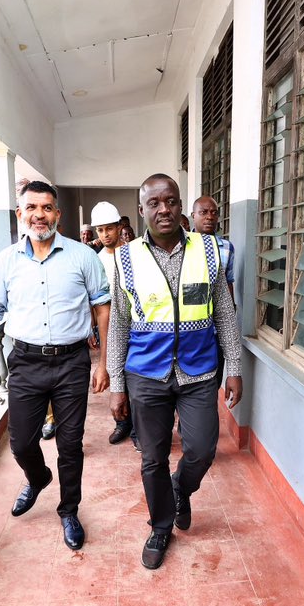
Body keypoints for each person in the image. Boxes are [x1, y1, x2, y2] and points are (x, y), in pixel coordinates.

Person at [108, 174, 243, 570]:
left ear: (180, 205)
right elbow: (118, 323)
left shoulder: (208, 250)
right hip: (146, 374)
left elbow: (225, 313)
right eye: (154, 203)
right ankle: (161, 525)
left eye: (170, 201)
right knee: (152, 457)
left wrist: (233, 365)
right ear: (141, 209)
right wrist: (117, 384)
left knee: (201, 449)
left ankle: (179, 489)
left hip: (199, 371)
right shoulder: (126, 256)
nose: (163, 209)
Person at [0, 180, 111, 552]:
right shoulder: (5, 262)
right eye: (32, 207)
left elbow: (102, 308)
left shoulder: (84, 256)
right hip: (25, 362)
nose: (40, 214)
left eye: (47, 207)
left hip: (72, 363)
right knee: (20, 442)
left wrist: (103, 364)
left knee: (70, 444)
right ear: (20, 214)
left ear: (58, 214)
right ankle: (37, 478)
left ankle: (69, 510)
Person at [91, 201, 140, 450]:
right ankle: (122, 422)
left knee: (137, 377)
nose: (104, 235)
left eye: (108, 228)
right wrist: (92, 329)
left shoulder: (135, 255)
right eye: (100, 230)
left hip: (135, 327)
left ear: (119, 227)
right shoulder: (95, 260)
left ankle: (140, 428)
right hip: (108, 328)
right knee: (114, 372)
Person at [191, 195, 236, 388]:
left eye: (214, 213)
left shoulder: (226, 248)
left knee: (212, 383)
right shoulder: (183, 245)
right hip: (190, 330)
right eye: (203, 212)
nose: (209, 217)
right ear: (193, 216)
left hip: (216, 330)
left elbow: (229, 283)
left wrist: (229, 316)